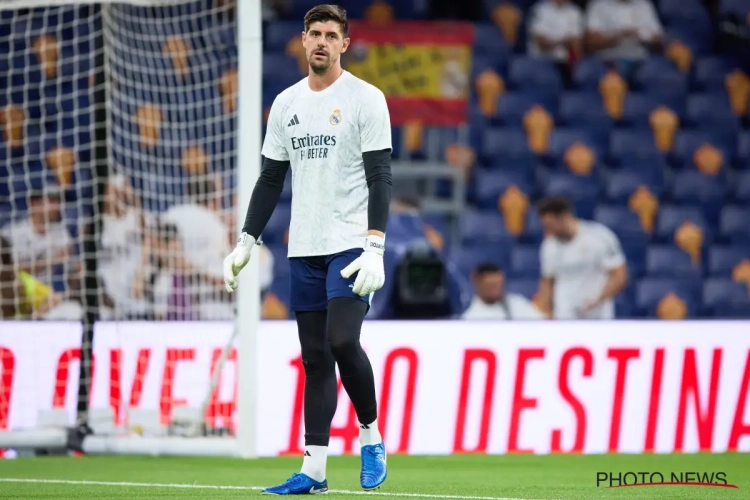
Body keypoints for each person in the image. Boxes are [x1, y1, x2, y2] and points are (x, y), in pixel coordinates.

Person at [222, 4, 391, 495]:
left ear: (344, 43)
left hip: (352, 245)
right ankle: (314, 469)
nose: (320, 41)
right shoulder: (286, 104)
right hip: (305, 248)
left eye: (330, 34)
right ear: (302, 40)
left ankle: (370, 435)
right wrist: (246, 241)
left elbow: (380, 176)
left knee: (342, 341)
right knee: (315, 359)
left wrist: (375, 245)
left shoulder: (366, 98)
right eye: (313, 33)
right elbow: (271, 179)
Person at [535, 196, 628, 319]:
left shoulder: (600, 236)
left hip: (597, 315)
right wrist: (546, 311)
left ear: (565, 217)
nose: (548, 231)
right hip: (565, 316)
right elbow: (547, 281)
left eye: (551, 225)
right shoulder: (549, 246)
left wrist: (597, 300)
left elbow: (619, 276)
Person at [462, 263, 545, 320]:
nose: (496, 290)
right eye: (491, 286)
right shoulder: (471, 317)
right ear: (477, 282)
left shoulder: (517, 303)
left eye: (499, 285)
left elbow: (542, 323)